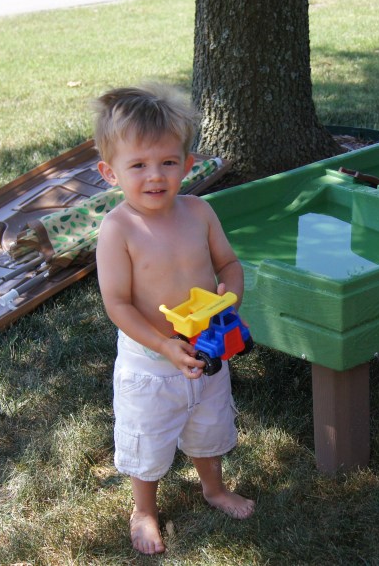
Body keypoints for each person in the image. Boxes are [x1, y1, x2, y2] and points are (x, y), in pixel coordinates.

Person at [93, 83, 255, 554]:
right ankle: (144, 509)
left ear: (187, 164)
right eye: (138, 166)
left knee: (209, 426)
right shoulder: (118, 229)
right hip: (151, 364)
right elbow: (118, 304)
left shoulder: (199, 212)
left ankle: (214, 489)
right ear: (110, 172)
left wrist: (230, 299)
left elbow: (229, 265)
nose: (155, 176)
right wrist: (164, 344)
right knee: (147, 438)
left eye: (167, 162)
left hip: (206, 350)